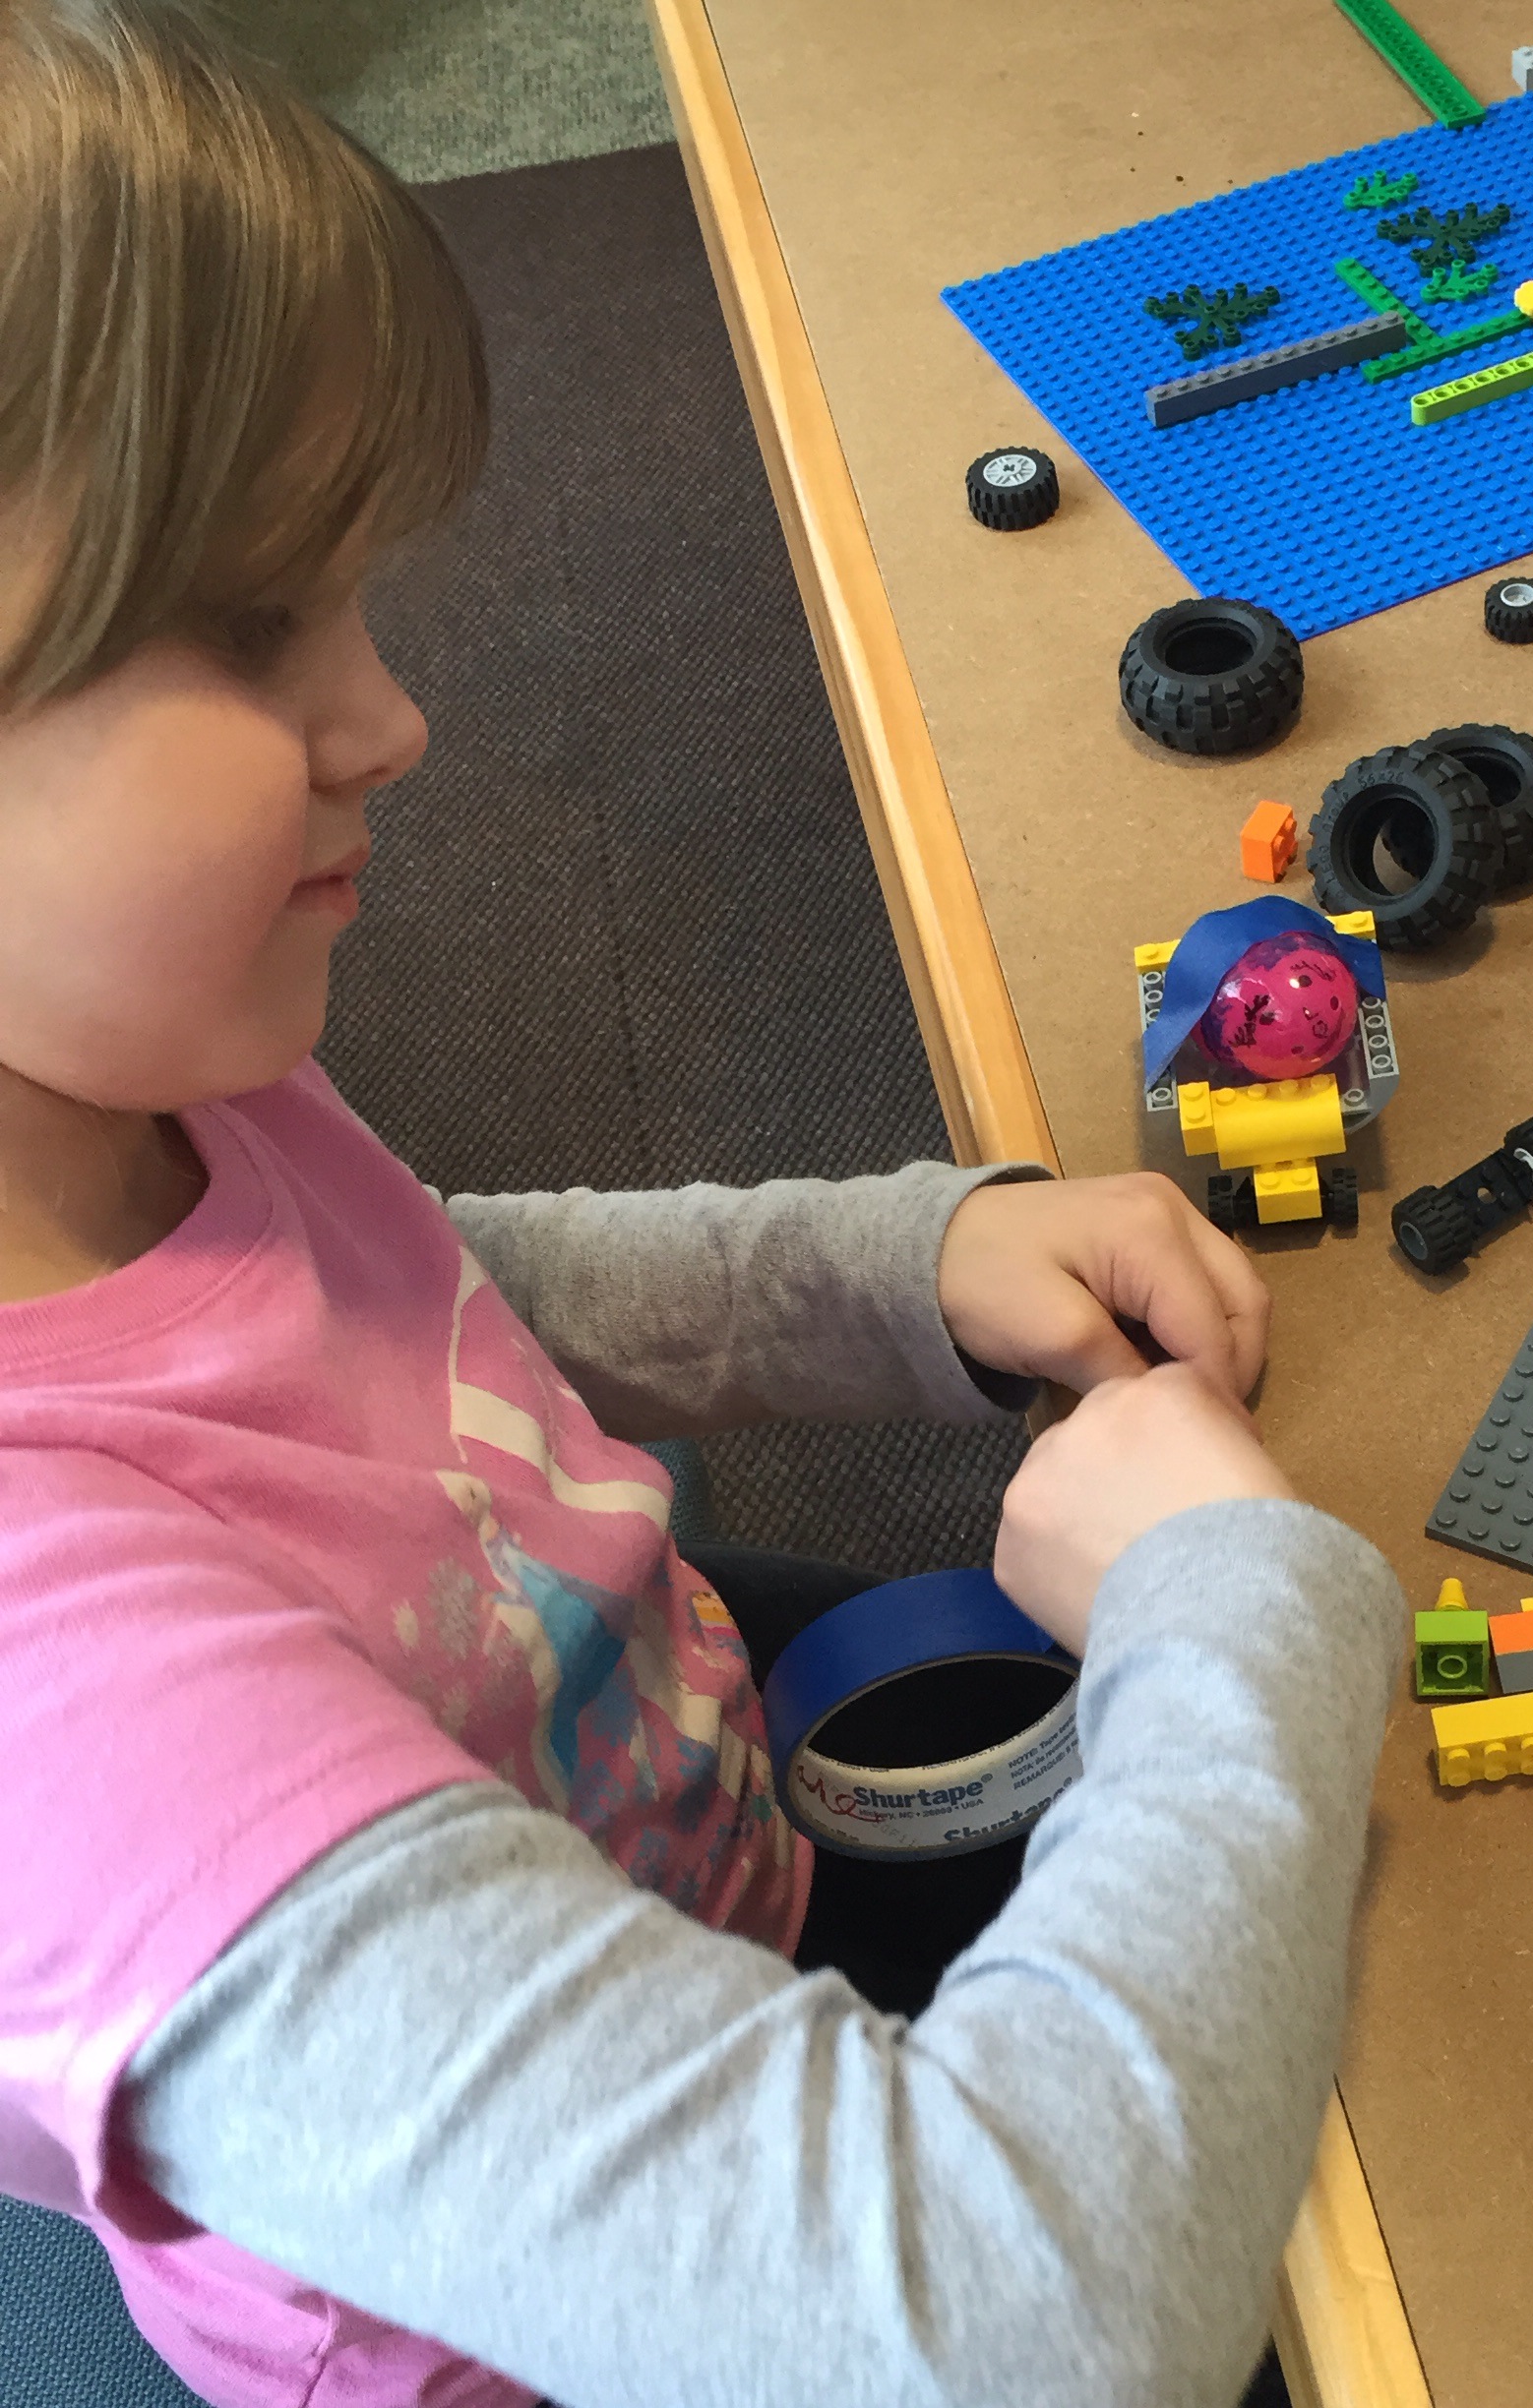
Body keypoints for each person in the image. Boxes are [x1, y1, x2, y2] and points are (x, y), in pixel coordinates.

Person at [0, 7, 1402, 2406]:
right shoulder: (63, 1708)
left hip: (680, 1819)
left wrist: (899, 1266)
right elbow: (1016, 2327)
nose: (394, 719)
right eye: (248, 629)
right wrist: (1242, 1613)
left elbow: (398, 1296)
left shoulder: (112, 1093)